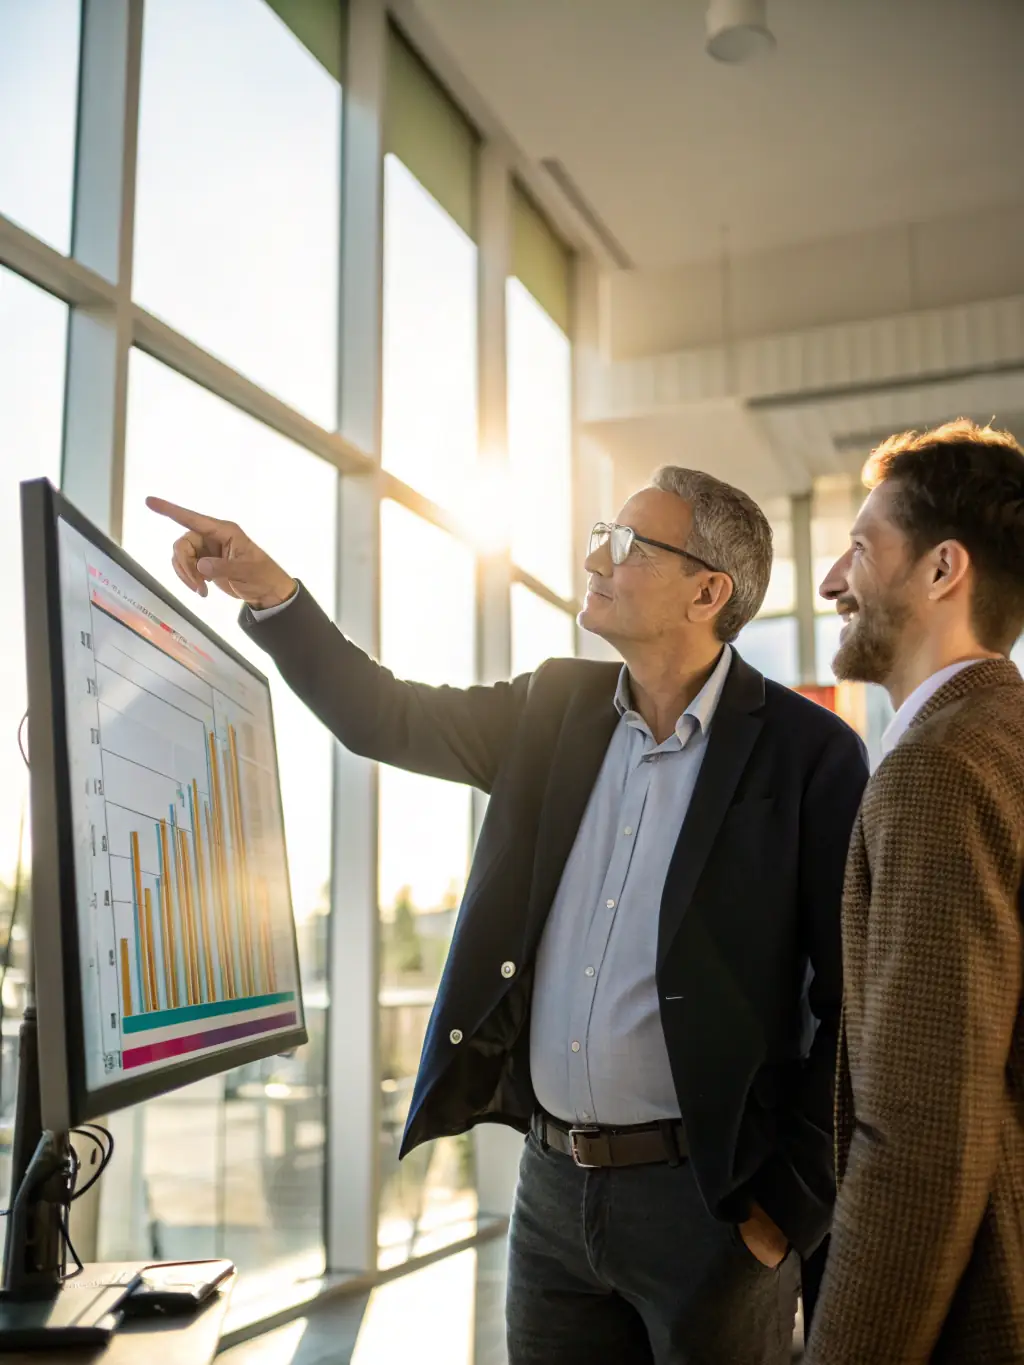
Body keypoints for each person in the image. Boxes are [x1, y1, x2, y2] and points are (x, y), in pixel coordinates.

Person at [148, 467, 868, 1365]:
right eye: (606, 530)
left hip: (713, 1208)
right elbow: (383, 715)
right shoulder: (552, 708)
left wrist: (784, 1209)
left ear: (708, 591)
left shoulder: (811, 756)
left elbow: (855, 1005)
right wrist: (273, 596)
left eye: (629, 543)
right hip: (553, 1193)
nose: (595, 555)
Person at [808, 419, 1024, 1365]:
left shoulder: (938, 769)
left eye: (860, 548)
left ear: (943, 570)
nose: (830, 583)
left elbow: (922, 1137)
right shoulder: (998, 737)